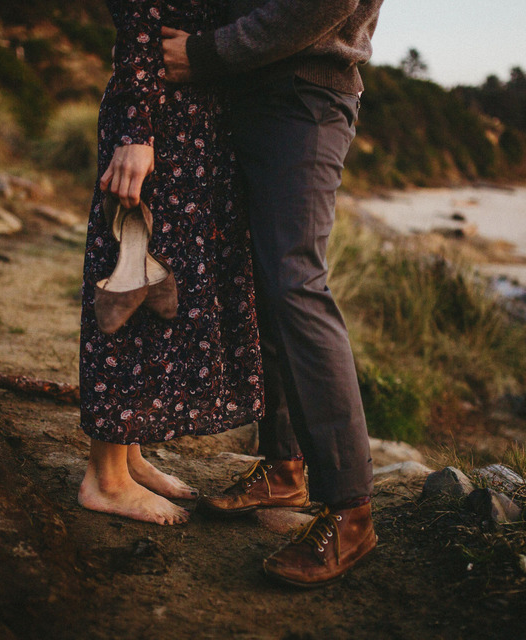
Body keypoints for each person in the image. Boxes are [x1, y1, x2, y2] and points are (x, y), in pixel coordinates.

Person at [161, 0, 385, 586]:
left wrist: (207, 53)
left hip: (303, 94)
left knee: (295, 284)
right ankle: (284, 467)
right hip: (250, 93)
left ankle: (352, 512)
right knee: (264, 284)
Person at [77, 0, 263, 526]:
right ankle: (105, 477)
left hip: (186, 119)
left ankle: (127, 454)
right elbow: (138, 14)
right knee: (128, 278)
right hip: (157, 121)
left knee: (157, 284)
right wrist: (136, 129)